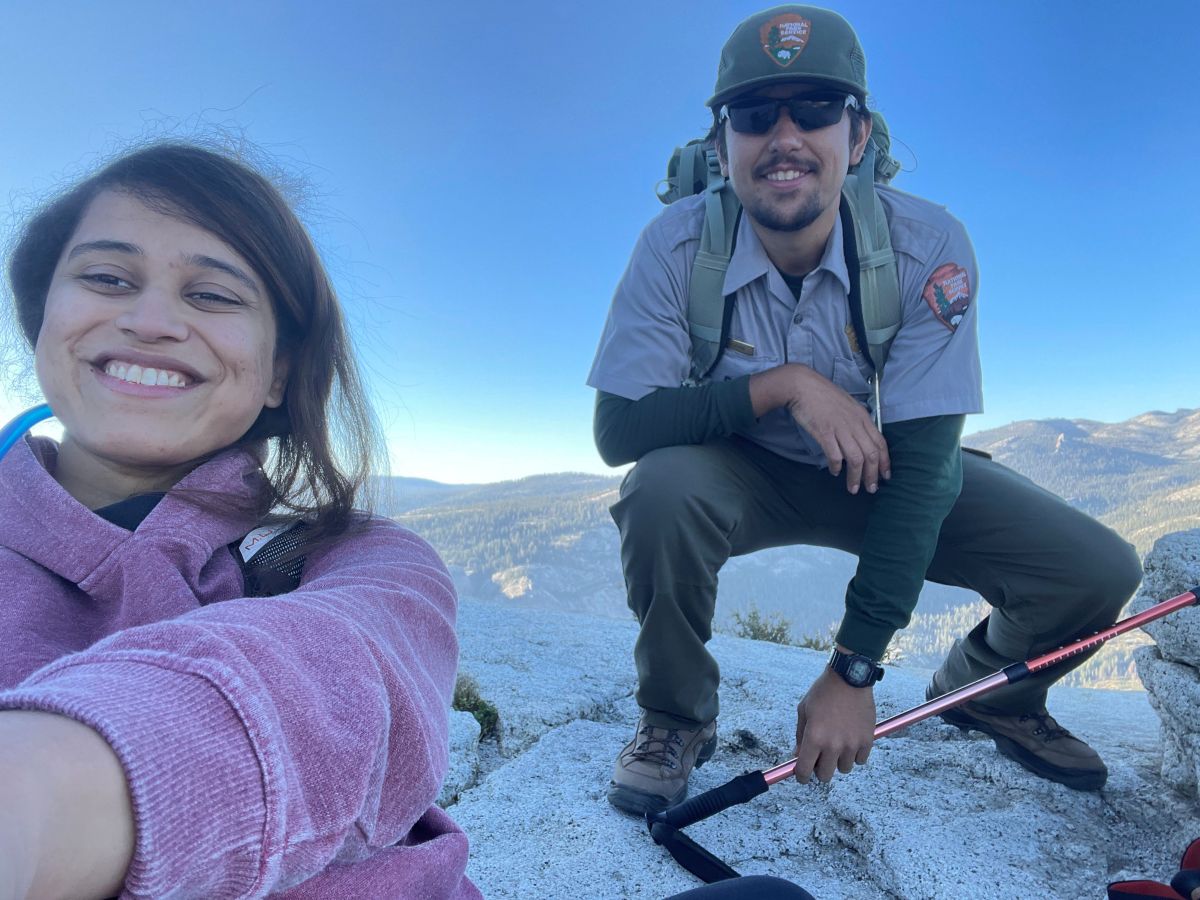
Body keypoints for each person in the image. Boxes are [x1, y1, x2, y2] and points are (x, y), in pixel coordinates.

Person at [588, 4, 1143, 818]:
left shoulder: (927, 246)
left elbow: (923, 470)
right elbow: (620, 432)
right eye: (753, 113)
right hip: (739, 473)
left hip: (876, 467)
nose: (784, 136)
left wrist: (854, 669)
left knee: (1098, 572)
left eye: (815, 107)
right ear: (721, 146)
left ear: (858, 136)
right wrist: (785, 385)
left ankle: (989, 689)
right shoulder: (673, 247)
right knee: (659, 489)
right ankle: (675, 716)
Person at [0, 143, 480, 898]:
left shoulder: (365, 562)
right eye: (106, 278)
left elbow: (341, 679)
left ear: (279, 371)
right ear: (43, 322)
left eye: (212, 295)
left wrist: (41, 793)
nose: (151, 320)